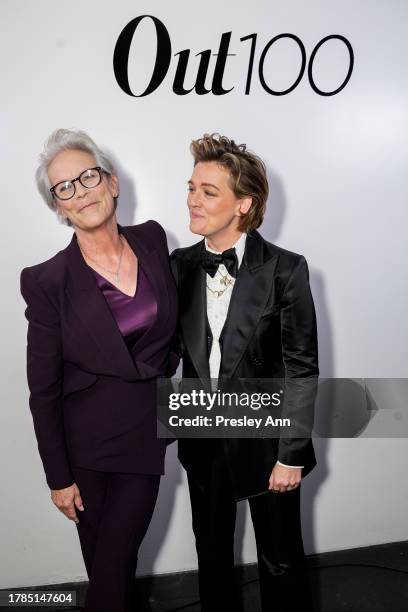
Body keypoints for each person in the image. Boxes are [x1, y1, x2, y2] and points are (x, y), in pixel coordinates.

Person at [20, 129, 178, 612]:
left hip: (144, 436)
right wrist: (57, 476)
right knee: (110, 572)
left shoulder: (153, 239)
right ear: (59, 208)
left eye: (88, 176)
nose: (80, 191)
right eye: (64, 187)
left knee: (111, 570)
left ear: (112, 183)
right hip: (84, 452)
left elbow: (181, 328)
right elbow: (42, 389)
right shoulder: (47, 281)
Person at [170, 133, 318, 611]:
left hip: (268, 440)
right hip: (204, 438)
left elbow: (301, 368)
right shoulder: (178, 266)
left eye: (208, 191)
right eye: (191, 187)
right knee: (211, 556)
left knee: (280, 560)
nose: (193, 199)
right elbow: (167, 351)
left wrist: (291, 455)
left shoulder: (285, 270)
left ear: (243, 204)